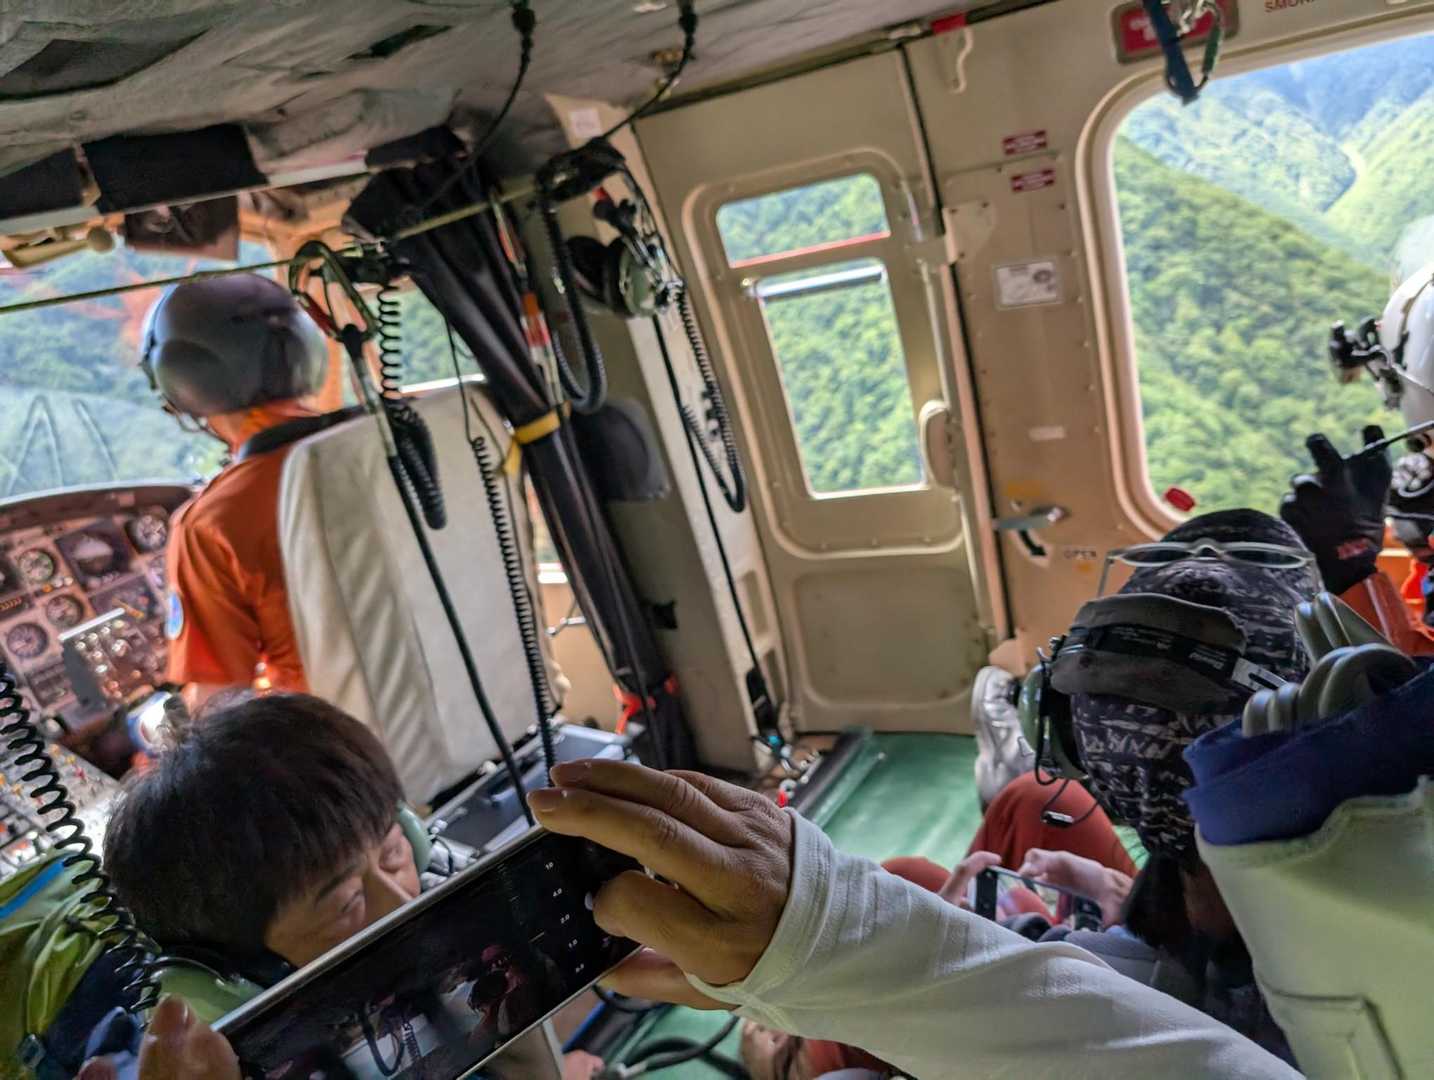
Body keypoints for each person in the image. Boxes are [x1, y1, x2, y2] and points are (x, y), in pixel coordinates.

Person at [89, 693, 603, 1080]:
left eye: (394, 854)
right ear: (243, 976)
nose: (404, 903)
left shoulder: (438, 887)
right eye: (346, 904)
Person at [139, 274, 343, 699]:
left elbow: (219, 701)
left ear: (182, 382)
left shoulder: (213, 522)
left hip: (336, 732)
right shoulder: (394, 441)